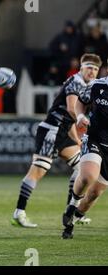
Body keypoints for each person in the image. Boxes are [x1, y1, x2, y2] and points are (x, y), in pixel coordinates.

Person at [11, 53, 101, 228]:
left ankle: (71, 211)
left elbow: (69, 119)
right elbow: (71, 109)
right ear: (81, 68)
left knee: (81, 168)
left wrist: (77, 139)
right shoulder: (76, 82)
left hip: (63, 131)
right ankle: (19, 213)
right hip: (52, 131)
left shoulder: (87, 84)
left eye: (96, 69)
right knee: (37, 172)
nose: (92, 71)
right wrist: (88, 125)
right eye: (89, 67)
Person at [61, 67, 108, 239]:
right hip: (95, 139)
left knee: (94, 194)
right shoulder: (97, 86)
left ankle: (73, 218)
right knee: (88, 176)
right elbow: (80, 101)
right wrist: (80, 117)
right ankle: (72, 205)